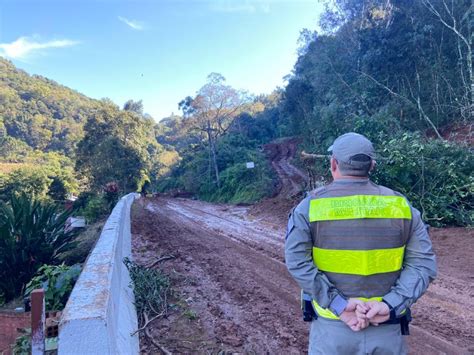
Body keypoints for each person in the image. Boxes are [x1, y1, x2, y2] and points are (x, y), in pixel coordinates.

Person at [285, 132, 437, 354]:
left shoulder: (308, 208)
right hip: (387, 330)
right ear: (372, 165)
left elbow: (297, 261)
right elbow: (423, 265)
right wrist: (390, 305)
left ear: (333, 163)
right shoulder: (401, 206)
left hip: (332, 332)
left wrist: (340, 306)